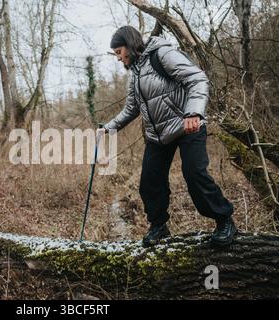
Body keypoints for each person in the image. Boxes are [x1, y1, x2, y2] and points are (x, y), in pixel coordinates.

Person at [100, 26, 236, 247]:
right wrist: (108, 128)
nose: (118, 58)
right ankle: (159, 227)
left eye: (118, 52)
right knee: (149, 182)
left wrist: (194, 112)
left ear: (130, 45)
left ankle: (224, 220)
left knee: (194, 174)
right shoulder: (134, 72)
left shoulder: (162, 54)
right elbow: (131, 109)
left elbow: (197, 79)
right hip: (158, 134)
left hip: (187, 124)